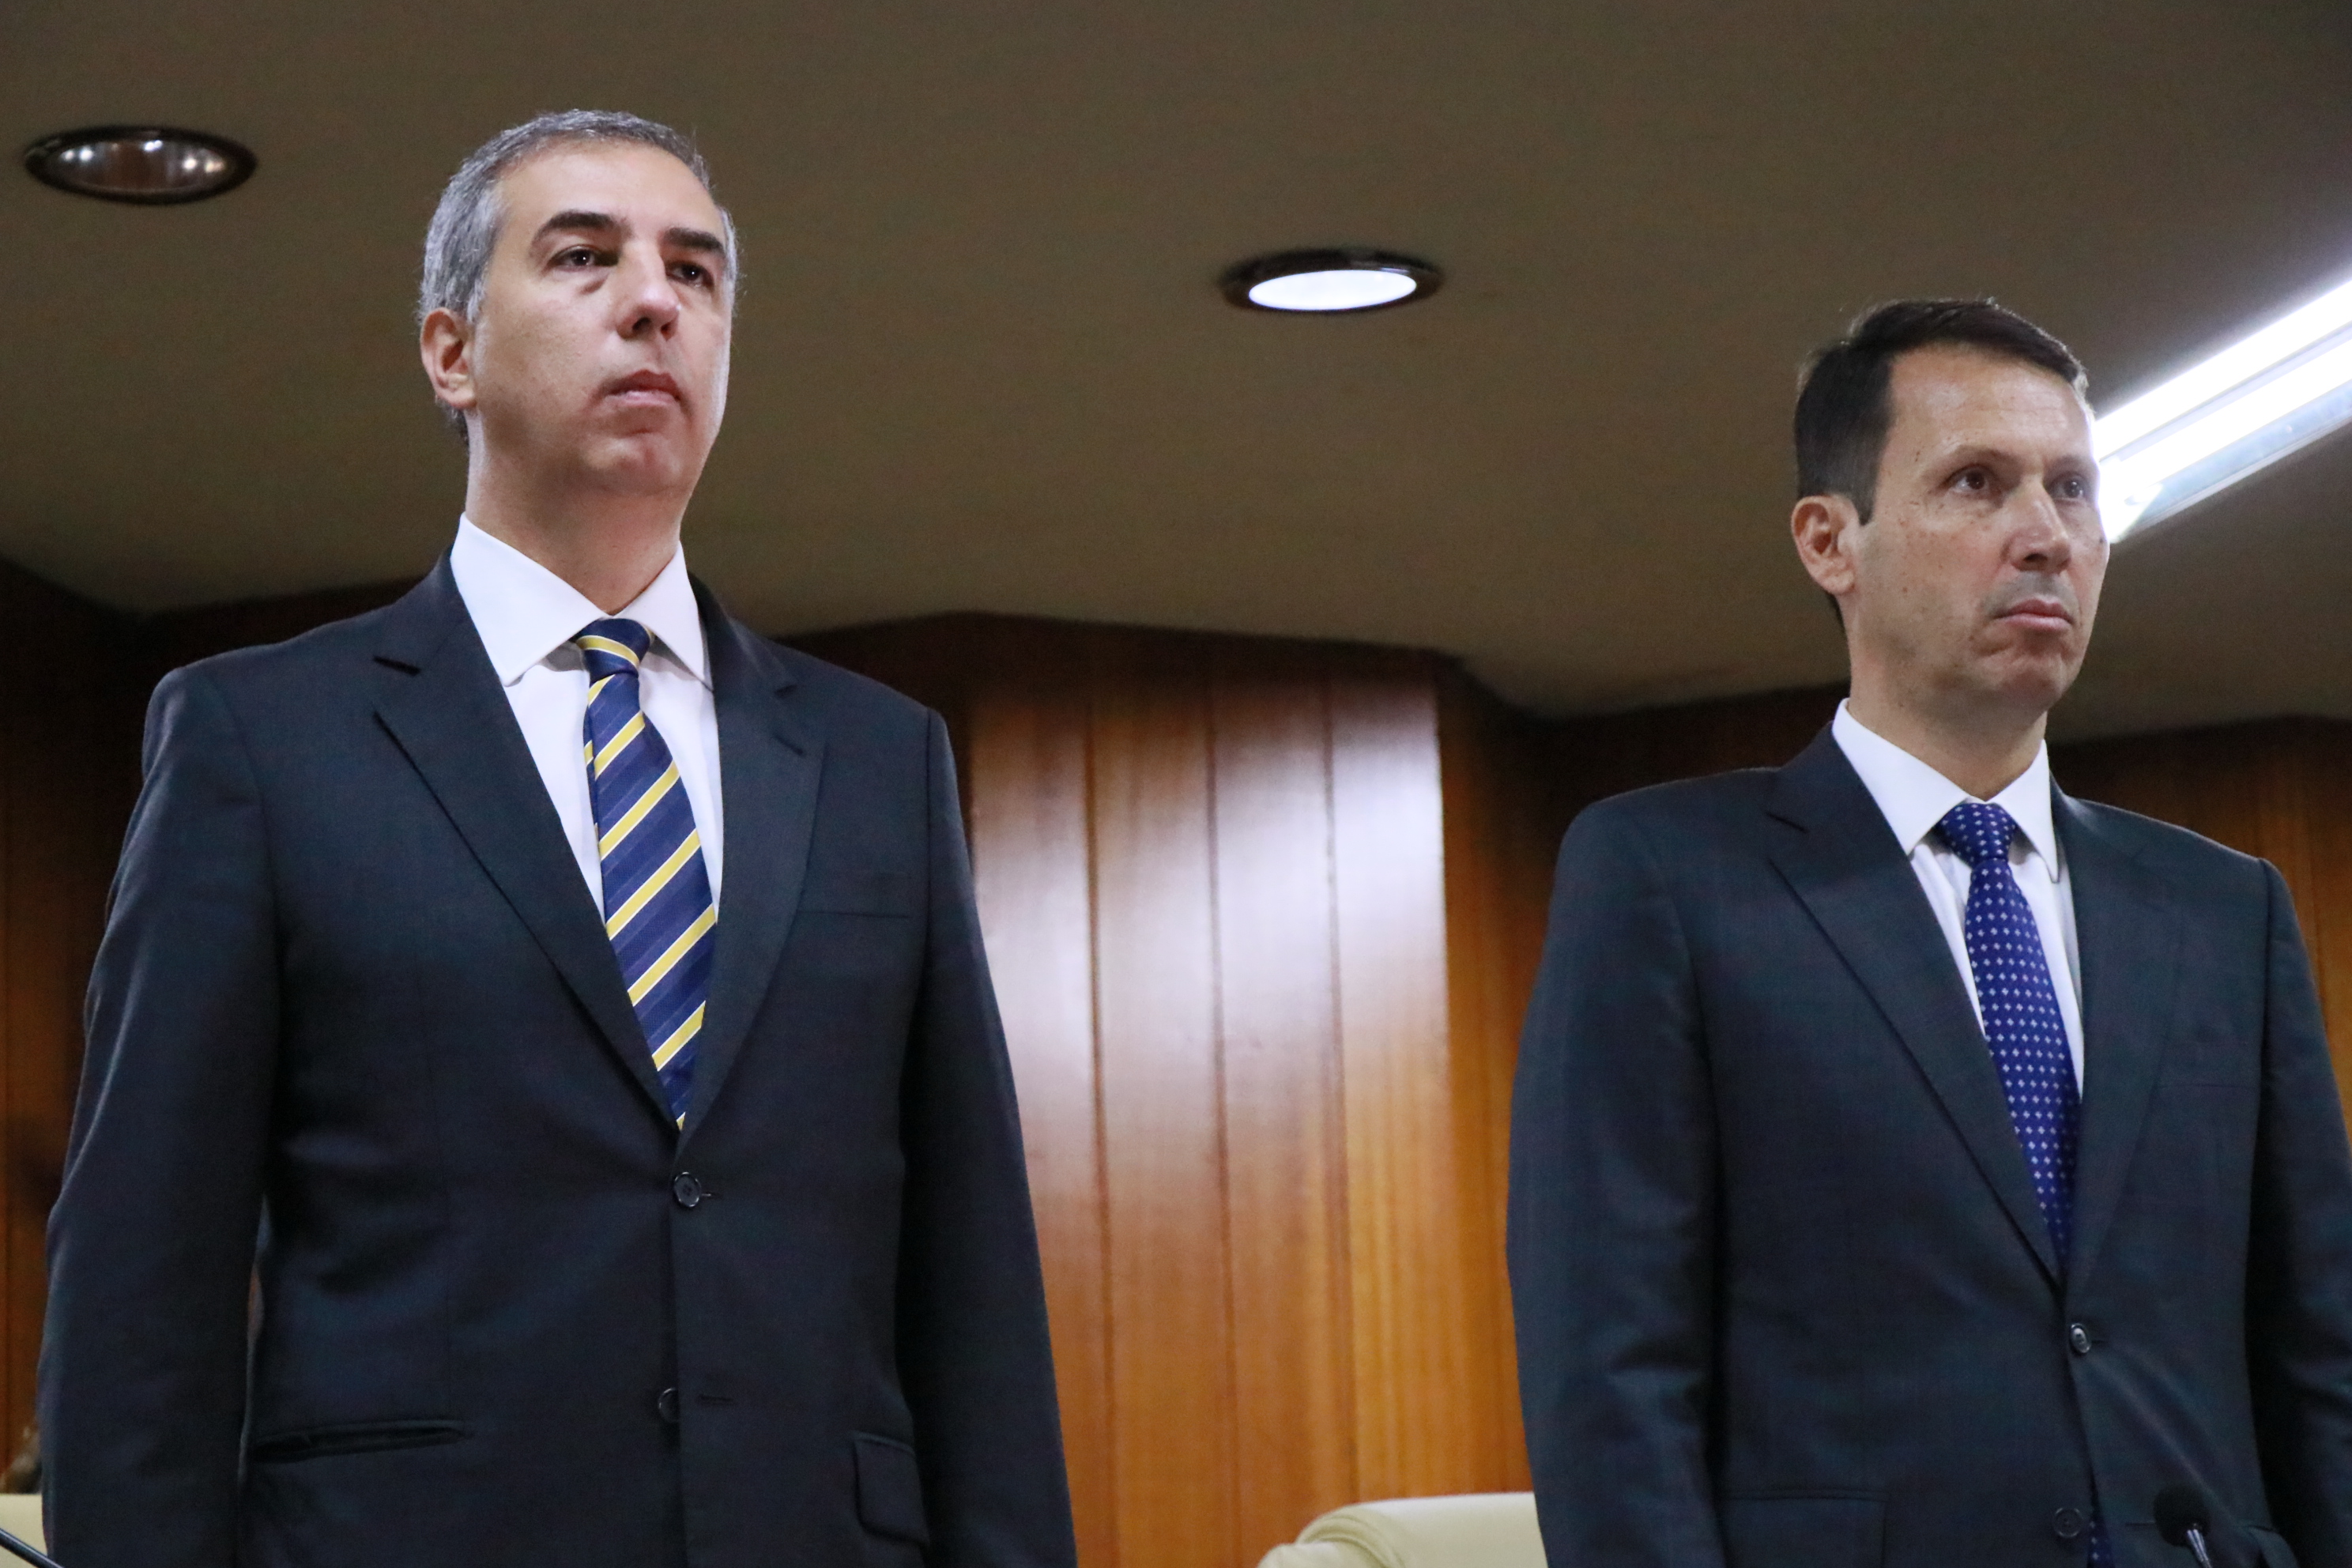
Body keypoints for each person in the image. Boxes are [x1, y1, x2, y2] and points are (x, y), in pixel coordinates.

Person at [40, 111, 1076, 1568]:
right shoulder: (262, 740)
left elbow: (974, 1276)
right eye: (585, 257)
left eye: (695, 273)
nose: (655, 300)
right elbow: (143, 1277)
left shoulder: (876, 758)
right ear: (450, 353)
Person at [1508, 299, 2352, 1567]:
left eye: (2073, 489)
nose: (2046, 534)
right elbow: (1610, 1363)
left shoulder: (2225, 911)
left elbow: (2318, 1350)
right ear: (1829, 542)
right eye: (1976, 483)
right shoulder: (1668, 878)